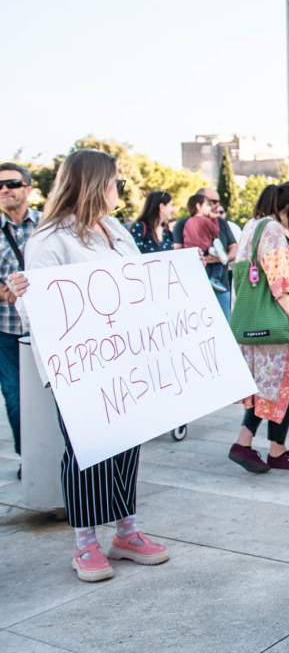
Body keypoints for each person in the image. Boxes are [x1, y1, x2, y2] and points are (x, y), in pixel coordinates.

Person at [13, 149, 169, 582]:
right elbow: (36, 310)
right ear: (93, 183)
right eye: (114, 180)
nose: (119, 187)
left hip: (125, 358)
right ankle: (85, 544)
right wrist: (26, 292)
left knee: (127, 445)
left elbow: (139, 280)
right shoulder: (48, 240)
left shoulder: (115, 229)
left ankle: (126, 532)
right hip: (81, 367)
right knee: (88, 449)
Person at [227, 181, 289, 474]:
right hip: (275, 322)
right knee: (288, 384)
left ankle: (248, 444)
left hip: (253, 321)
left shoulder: (251, 225)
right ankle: (274, 449)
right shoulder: (271, 230)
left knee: (265, 387)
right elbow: (279, 280)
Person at [0, 162, 41, 479]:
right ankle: (30, 457)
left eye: (11, 183)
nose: (4, 190)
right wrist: (4, 291)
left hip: (47, 329)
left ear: (28, 188)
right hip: (7, 331)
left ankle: (52, 454)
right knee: (15, 399)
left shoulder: (47, 225)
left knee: (52, 399)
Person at [174, 186, 238, 320]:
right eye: (212, 202)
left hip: (221, 285)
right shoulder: (182, 223)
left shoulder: (220, 222)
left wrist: (220, 258)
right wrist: (199, 258)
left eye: (217, 202)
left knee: (224, 326)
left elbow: (234, 249)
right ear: (199, 203)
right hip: (194, 287)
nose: (216, 205)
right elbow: (177, 253)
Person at [183, 193, 230, 292]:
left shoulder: (188, 221)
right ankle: (215, 278)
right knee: (219, 259)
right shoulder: (205, 220)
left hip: (192, 251)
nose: (210, 208)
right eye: (207, 205)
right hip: (205, 249)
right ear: (198, 206)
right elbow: (215, 230)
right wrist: (214, 219)